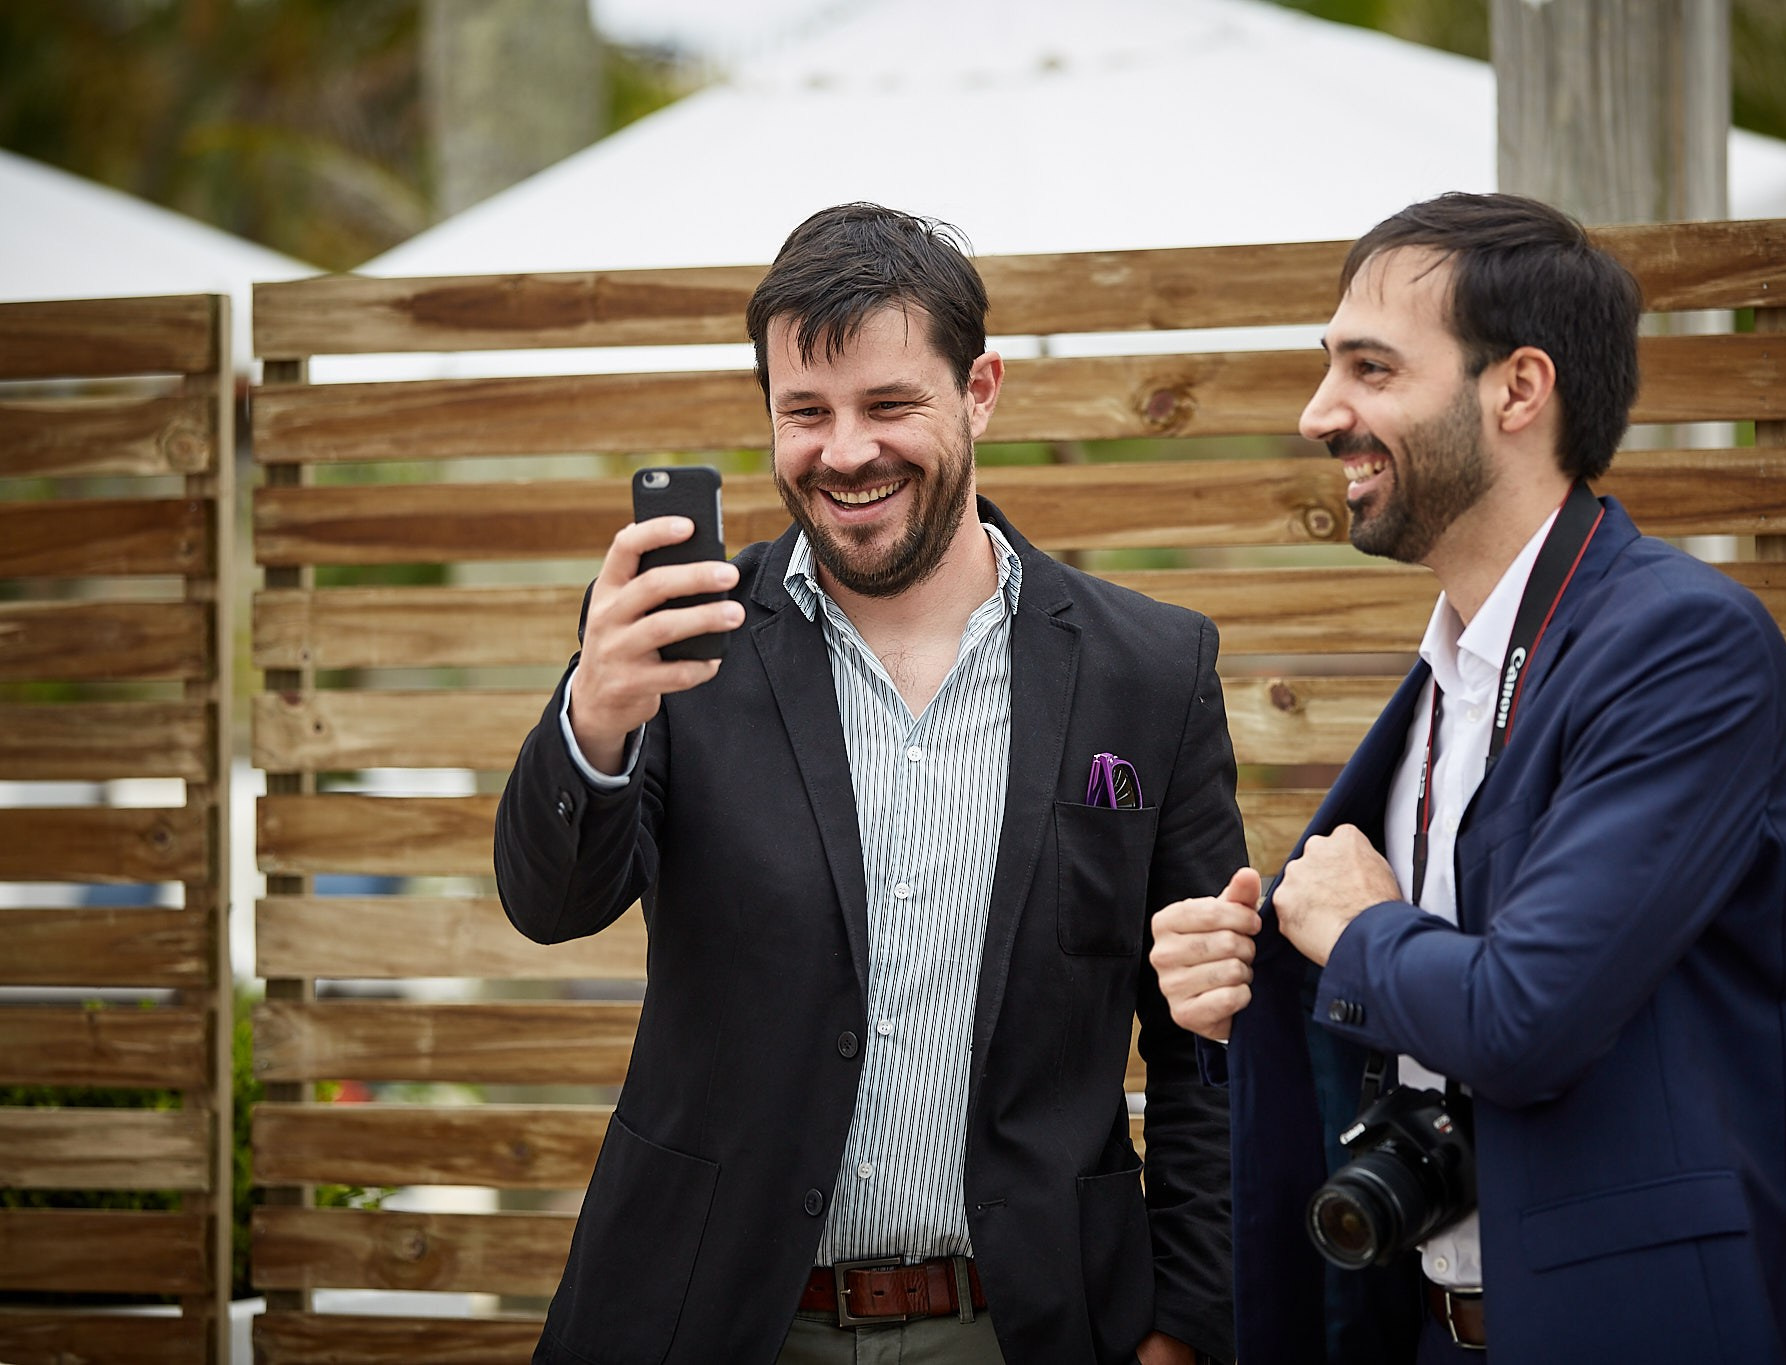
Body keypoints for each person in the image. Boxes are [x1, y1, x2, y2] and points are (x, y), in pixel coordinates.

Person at [495, 202, 1240, 1365]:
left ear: (979, 390)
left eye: (889, 405)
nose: (845, 452)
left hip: (1030, 1326)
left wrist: (1188, 1328)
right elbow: (549, 906)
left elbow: (1207, 1045)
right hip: (714, 1318)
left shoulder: (1149, 671)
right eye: (806, 413)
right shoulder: (674, 643)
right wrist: (592, 714)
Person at [1150, 193, 1786, 1364]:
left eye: (1369, 369)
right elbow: (1400, 1013)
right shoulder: (1446, 678)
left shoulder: (1687, 647)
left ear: (1517, 390)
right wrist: (1242, 967)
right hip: (1423, 1326)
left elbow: (1523, 1016)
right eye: (1328, 368)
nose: (1320, 413)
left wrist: (1351, 929)